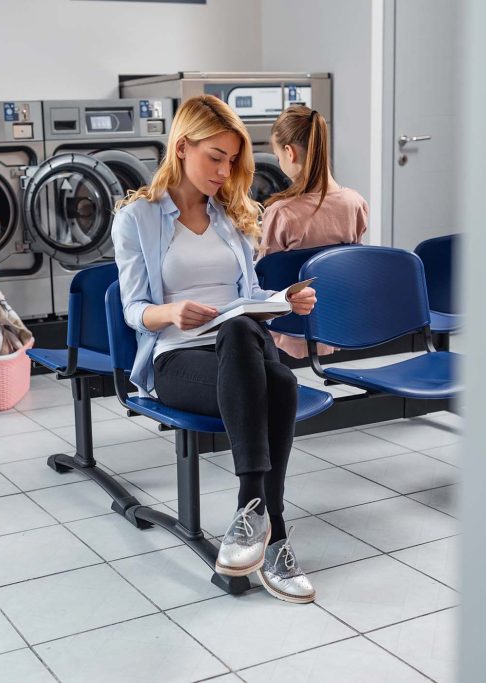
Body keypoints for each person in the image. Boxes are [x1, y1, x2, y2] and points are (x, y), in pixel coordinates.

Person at [113, 95, 319, 603]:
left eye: (232, 161)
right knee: (284, 384)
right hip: (178, 359)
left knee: (244, 335)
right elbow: (132, 309)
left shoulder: (231, 215)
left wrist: (283, 301)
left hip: (241, 347)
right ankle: (275, 532)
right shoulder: (137, 218)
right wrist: (171, 313)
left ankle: (252, 517)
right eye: (215, 157)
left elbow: (245, 299)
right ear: (181, 147)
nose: (225, 172)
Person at [260, 104, 369, 359]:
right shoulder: (356, 204)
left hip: (287, 332)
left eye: (277, 157)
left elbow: (265, 282)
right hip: (334, 324)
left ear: (289, 153)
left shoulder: (280, 212)